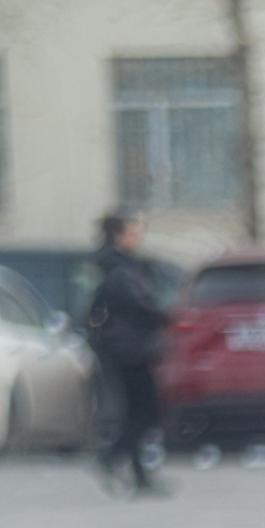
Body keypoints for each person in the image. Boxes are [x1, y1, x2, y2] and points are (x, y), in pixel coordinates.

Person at [86, 210, 170, 495]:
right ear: (118, 236)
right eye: (133, 234)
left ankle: (140, 478)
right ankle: (110, 456)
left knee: (135, 413)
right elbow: (140, 308)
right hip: (130, 351)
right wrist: (165, 316)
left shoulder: (115, 267)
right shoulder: (121, 271)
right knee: (148, 413)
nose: (138, 239)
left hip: (125, 349)